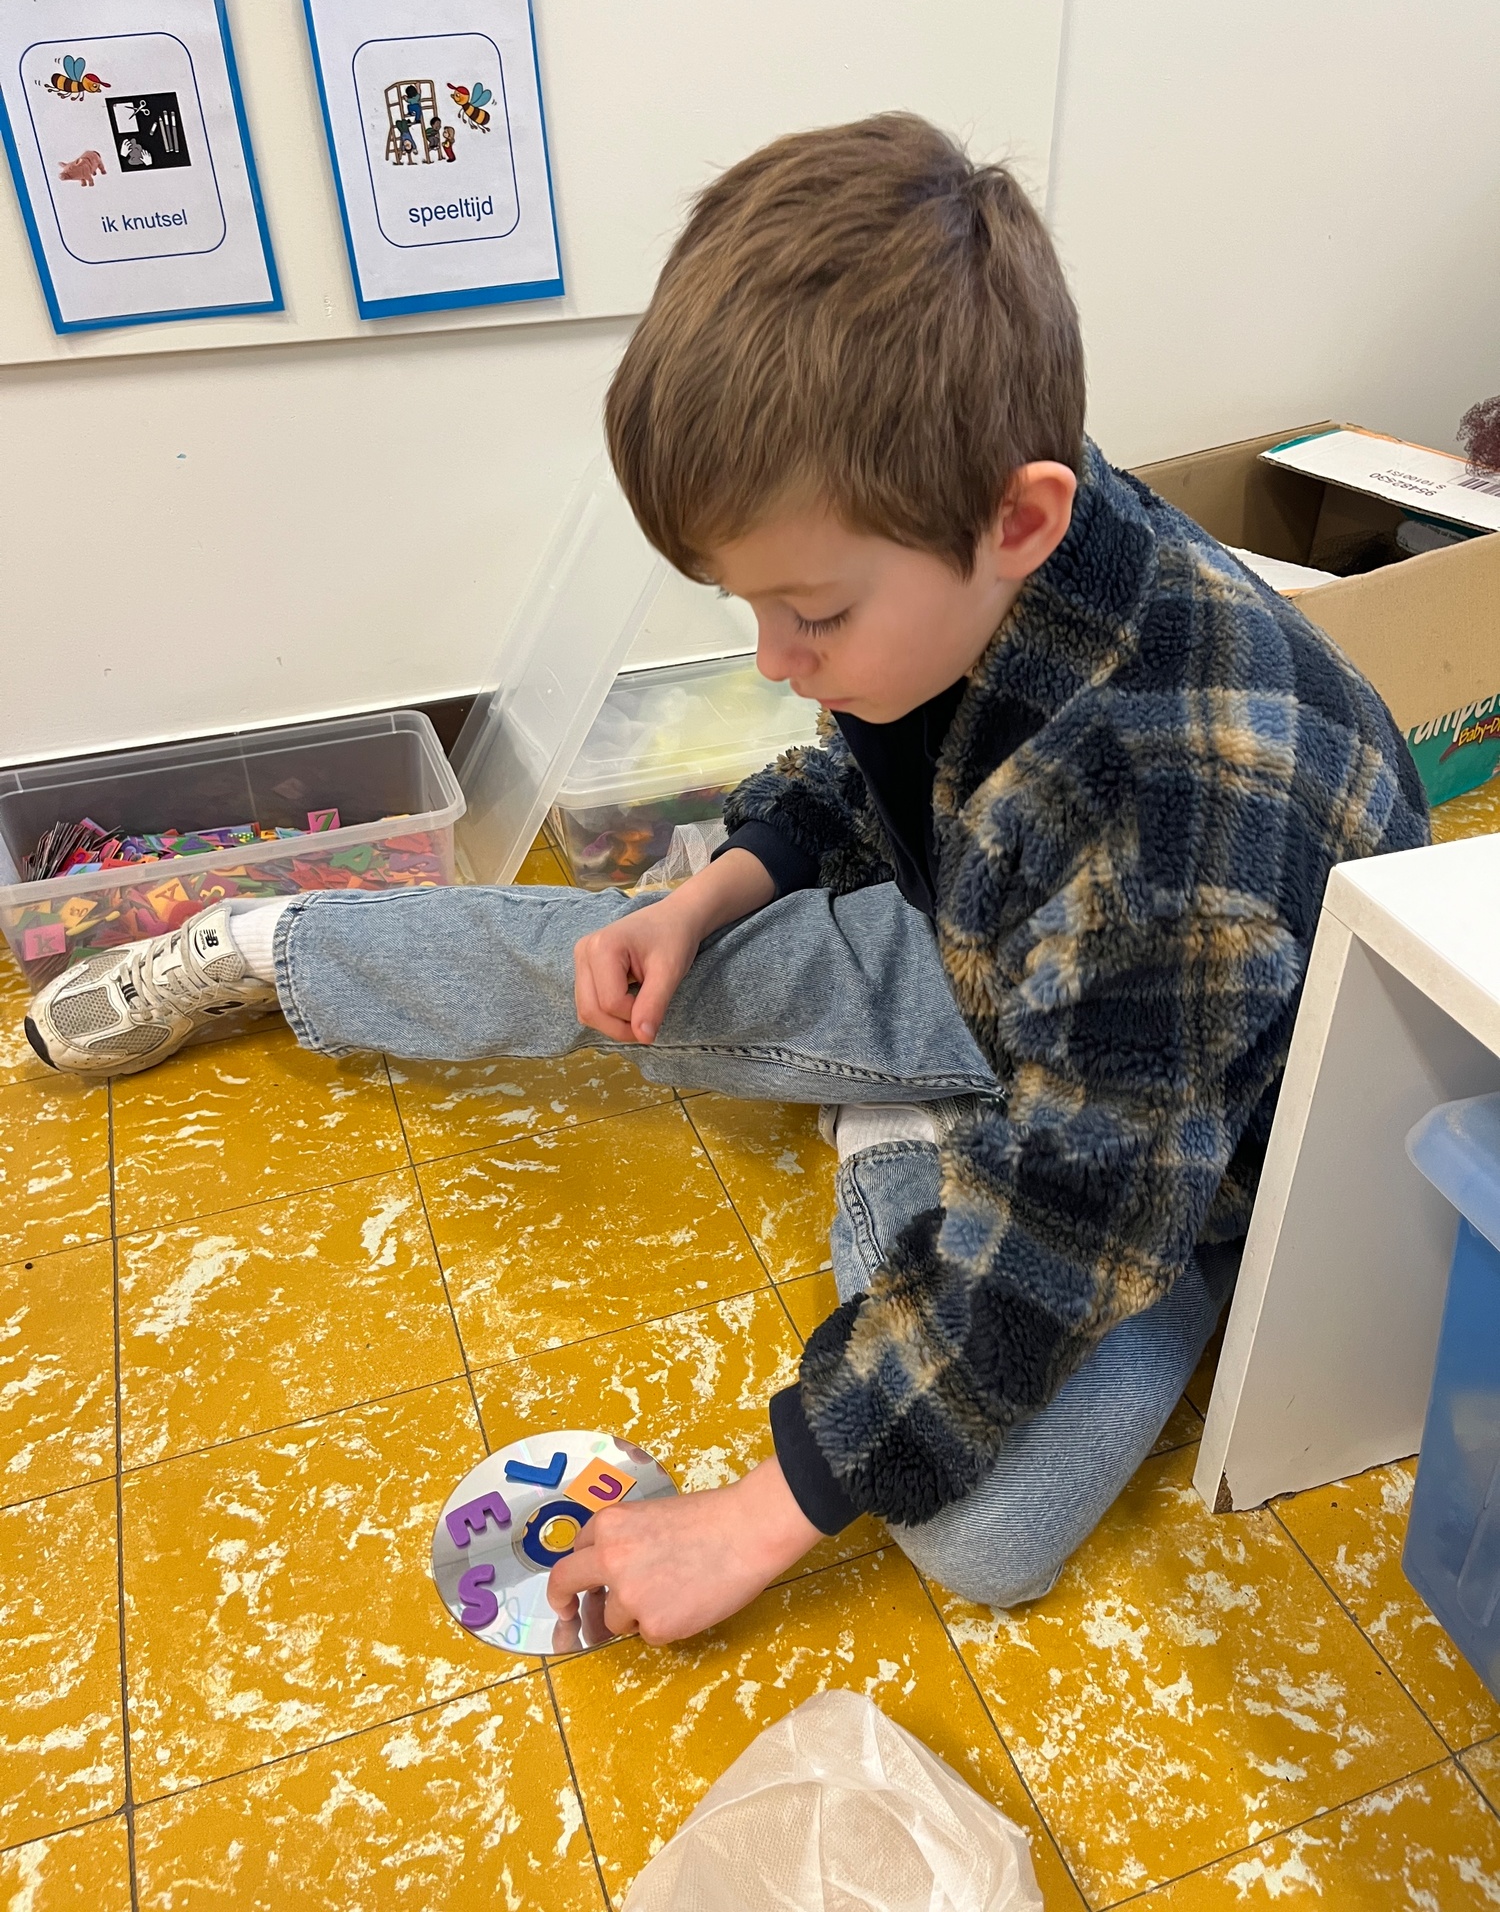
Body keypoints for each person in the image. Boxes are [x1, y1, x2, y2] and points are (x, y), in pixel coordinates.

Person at [24, 114, 1427, 1648]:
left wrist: (750, 1519)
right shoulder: (982, 545)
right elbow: (874, 757)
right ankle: (272, 941)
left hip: (1183, 1137)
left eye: (808, 614)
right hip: (1005, 954)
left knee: (985, 1533)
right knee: (642, 956)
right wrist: (718, 889)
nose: (773, 659)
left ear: (1022, 518)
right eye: (749, 605)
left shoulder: (1174, 836)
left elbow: (1073, 1231)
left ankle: (898, 1124)